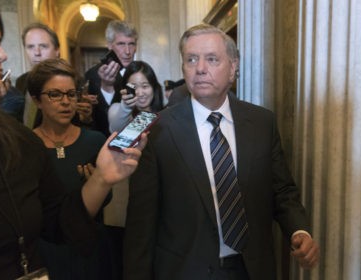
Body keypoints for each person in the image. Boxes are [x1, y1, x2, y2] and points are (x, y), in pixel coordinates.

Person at [0, 1, 146, 279]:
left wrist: (101, 178)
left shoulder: (20, 144)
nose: (1, 53)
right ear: (37, 100)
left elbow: (60, 226)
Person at [123, 23, 319, 280]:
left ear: (233, 67)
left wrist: (299, 231)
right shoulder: (153, 129)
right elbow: (141, 225)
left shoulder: (262, 122)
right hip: (184, 271)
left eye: (212, 59)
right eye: (191, 59)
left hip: (252, 268)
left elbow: (282, 191)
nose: (200, 68)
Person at [28, 58, 114, 279]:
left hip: (90, 248)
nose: (66, 102)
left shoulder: (94, 141)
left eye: (71, 94)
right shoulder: (25, 144)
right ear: (37, 100)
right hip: (45, 252)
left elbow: (107, 199)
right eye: (55, 94)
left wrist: (95, 185)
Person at [16, 22, 92, 128]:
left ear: (57, 50)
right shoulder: (21, 81)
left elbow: (82, 122)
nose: (37, 53)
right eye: (30, 47)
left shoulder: (76, 82)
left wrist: (86, 118)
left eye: (43, 46)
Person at [84, 20, 138, 137]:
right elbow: (96, 117)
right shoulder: (93, 75)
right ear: (109, 45)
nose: (127, 51)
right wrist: (107, 87)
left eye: (131, 44)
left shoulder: (141, 72)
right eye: (121, 44)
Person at [108, 60, 164, 133]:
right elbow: (116, 132)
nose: (140, 93)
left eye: (145, 86)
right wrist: (126, 108)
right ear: (125, 88)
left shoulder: (165, 113)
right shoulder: (117, 109)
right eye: (134, 87)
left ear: (153, 87)